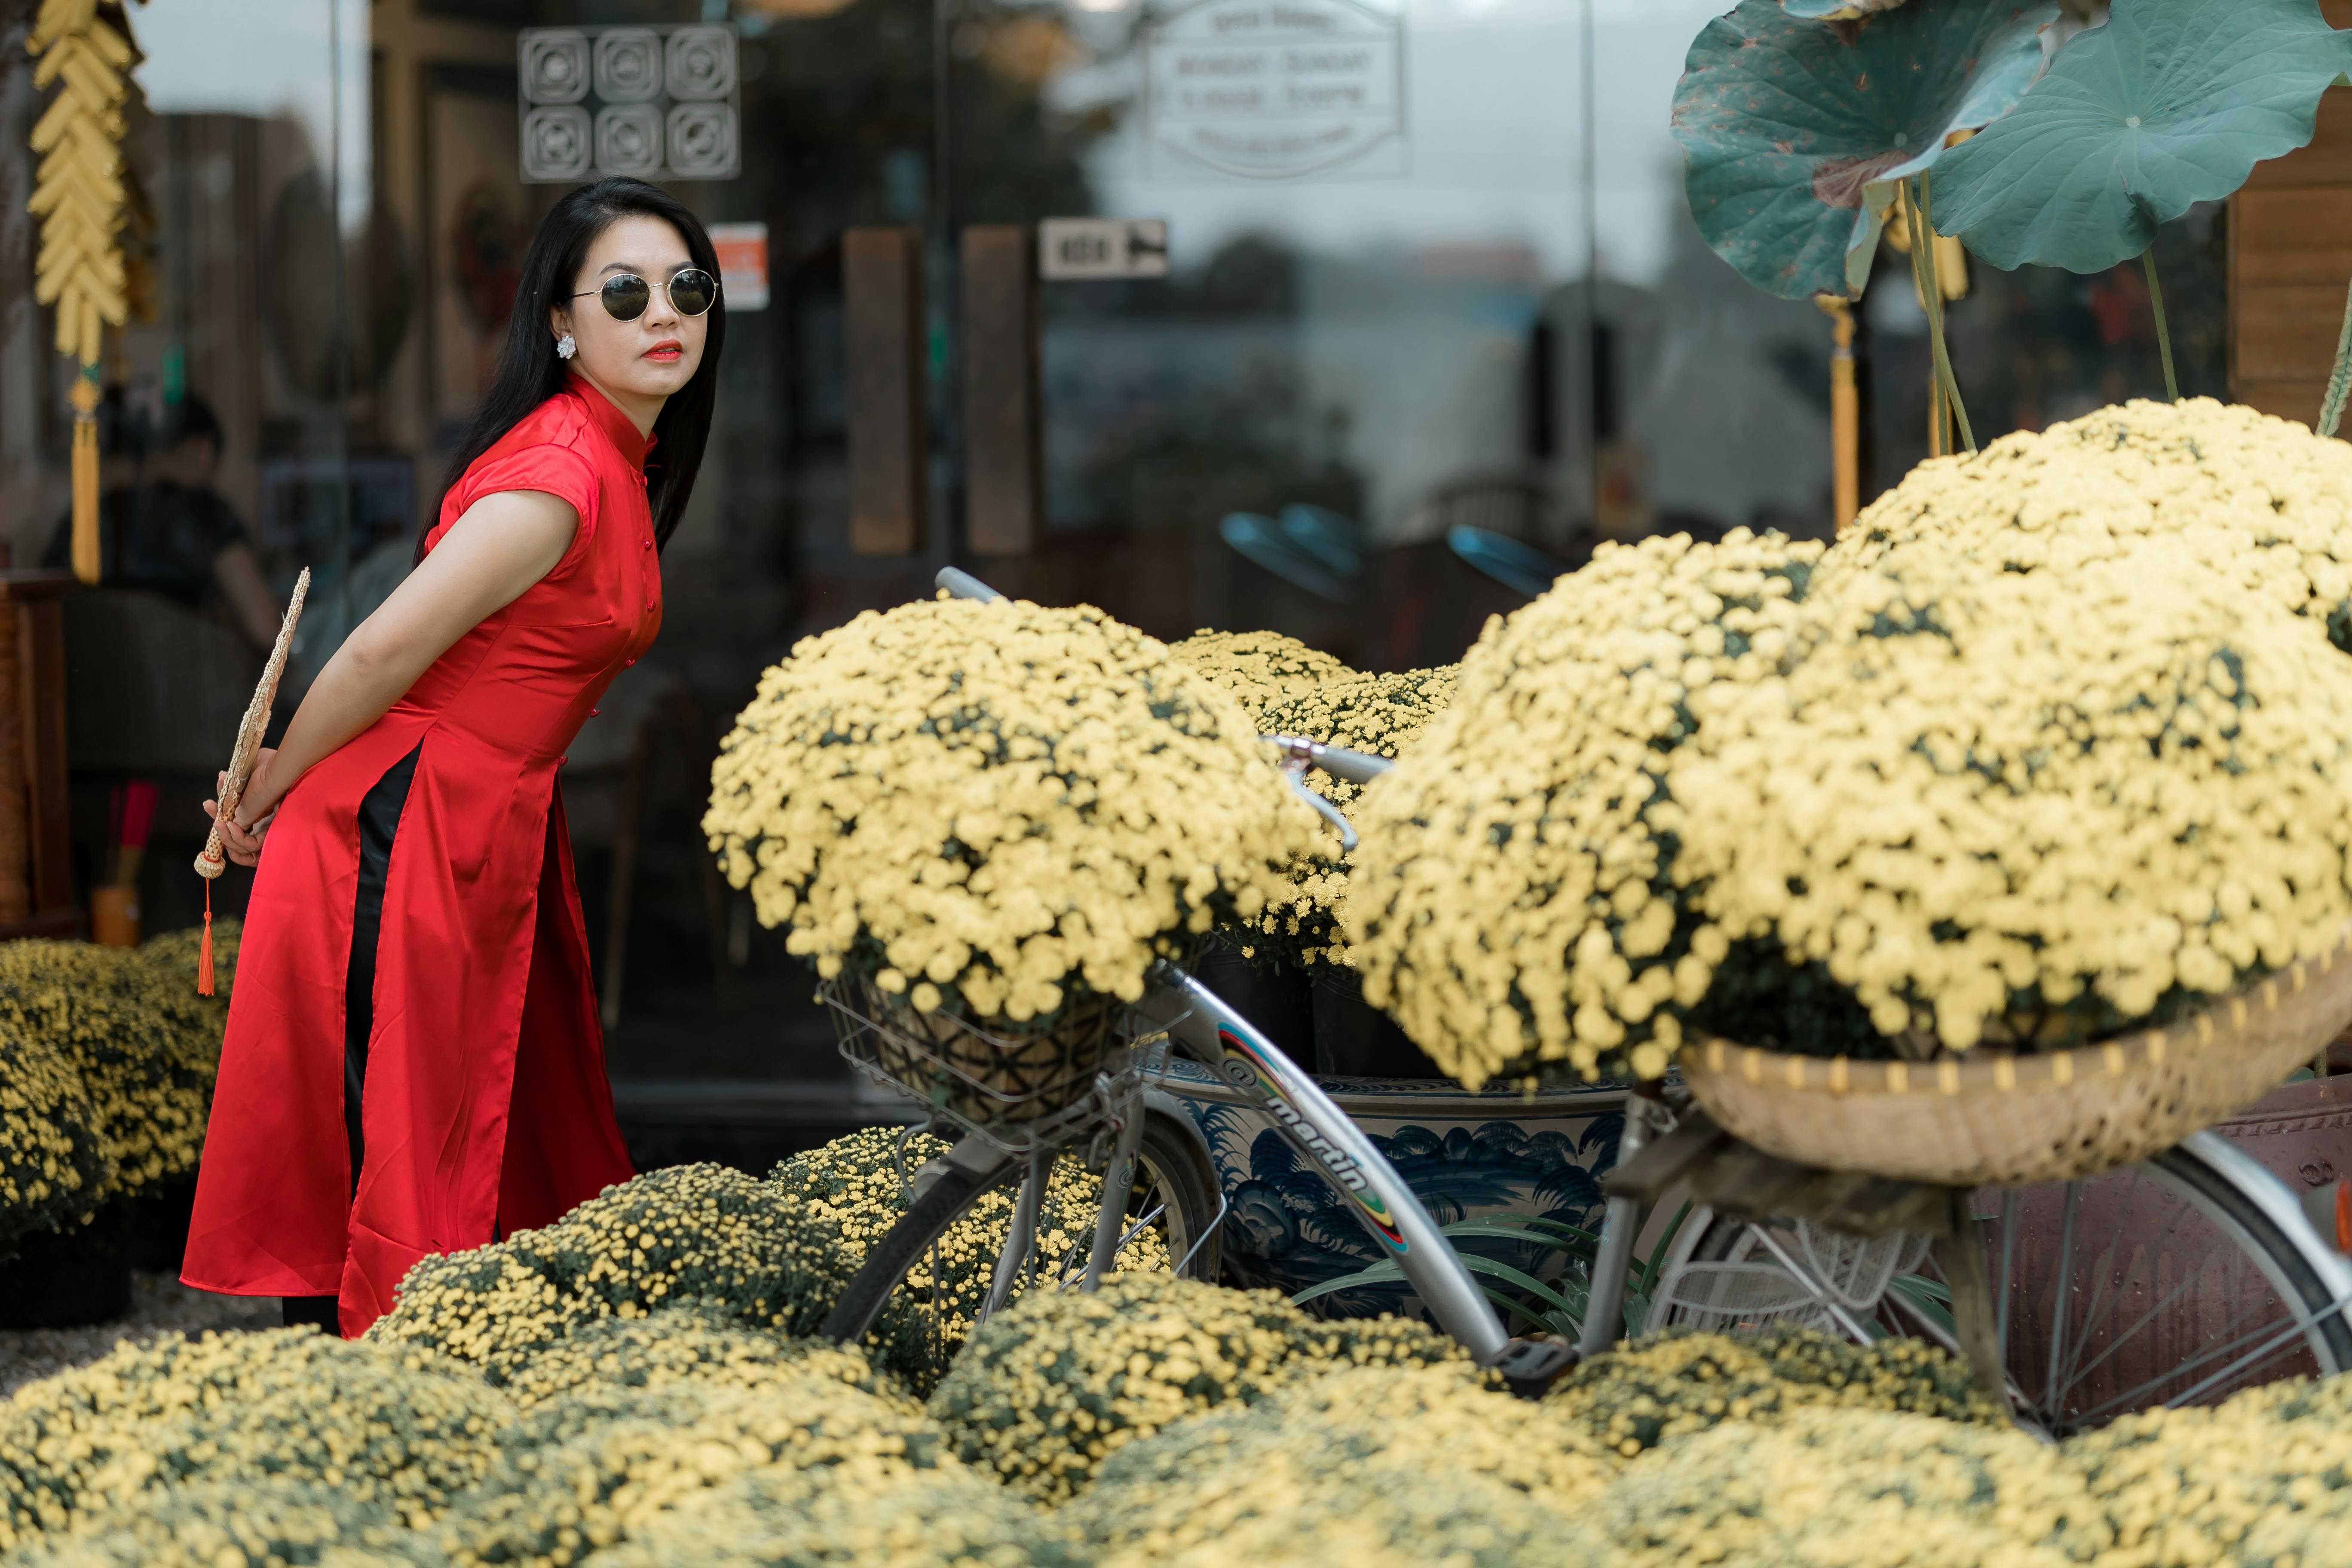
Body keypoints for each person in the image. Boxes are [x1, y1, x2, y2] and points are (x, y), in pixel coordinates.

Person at [180, 178, 726, 1337]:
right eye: (624, 293)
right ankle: (375, 1426)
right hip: (402, 824)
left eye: (689, 288)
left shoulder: (613, 457)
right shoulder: (561, 477)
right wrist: (265, 787)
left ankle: (452, 1381)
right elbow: (379, 652)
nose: (663, 313)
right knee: (398, 1140)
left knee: (466, 1124)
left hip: (481, 823)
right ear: (564, 326)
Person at [43, 395, 285, 651]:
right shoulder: (207, 515)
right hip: (181, 686)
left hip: (82, 685)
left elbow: (42, 613)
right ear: (205, 452)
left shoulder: (87, 515)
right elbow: (267, 629)